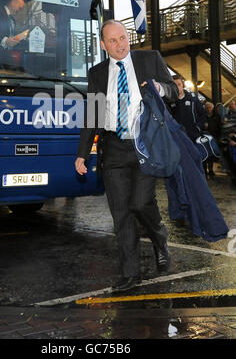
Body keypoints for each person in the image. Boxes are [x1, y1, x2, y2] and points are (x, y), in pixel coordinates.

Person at [75, 20, 178, 292]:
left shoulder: (149, 59)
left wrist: (159, 86)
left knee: (141, 203)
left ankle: (159, 239)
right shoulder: (97, 73)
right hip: (114, 149)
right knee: (121, 213)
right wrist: (82, 154)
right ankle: (130, 274)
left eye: (123, 37)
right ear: (103, 45)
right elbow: (93, 115)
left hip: (145, 144)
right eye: (113, 41)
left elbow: (174, 91)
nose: (120, 45)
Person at [169, 74, 206, 143]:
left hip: (194, 137)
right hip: (178, 137)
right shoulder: (170, 101)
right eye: (174, 85)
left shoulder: (193, 98)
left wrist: (197, 128)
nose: (177, 87)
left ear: (183, 85)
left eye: (179, 84)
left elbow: (203, 114)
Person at [204, 101, 221, 176]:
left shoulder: (217, 116)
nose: (208, 109)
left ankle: (211, 170)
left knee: (211, 155)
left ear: (212, 108)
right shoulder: (203, 116)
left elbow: (219, 127)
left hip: (214, 137)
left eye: (210, 107)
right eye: (207, 107)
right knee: (205, 154)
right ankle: (204, 170)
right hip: (204, 138)